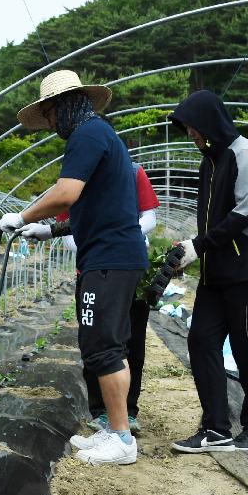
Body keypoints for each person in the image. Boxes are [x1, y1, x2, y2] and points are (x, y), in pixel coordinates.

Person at [0, 69, 148, 465]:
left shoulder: (87, 135)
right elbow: (91, 207)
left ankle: (122, 441)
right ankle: (113, 429)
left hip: (110, 258)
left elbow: (67, 193)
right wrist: (46, 231)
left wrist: (22, 214)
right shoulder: (99, 136)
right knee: (101, 343)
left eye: (48, 116)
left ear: (60, 107)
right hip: (110, 254)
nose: (49, 126)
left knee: (104, 346)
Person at [168, 90, 248, 453]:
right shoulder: (209, 161)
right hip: (216, 274)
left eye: (193, 128)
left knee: (246, 347)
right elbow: (211, 219)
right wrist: (194, 252)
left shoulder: (244, 153)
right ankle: (215, 427)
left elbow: (245, 214)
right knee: (200, 340)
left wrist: (199, 245)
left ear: (209, 124)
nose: (191, 135)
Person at [34, 162, 159, 433]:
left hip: (130, 269)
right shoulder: (70, 182)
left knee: (132, 341)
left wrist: (125, 236)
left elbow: (149, 216)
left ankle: (129, 411)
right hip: (91, 271)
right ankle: (101, 411)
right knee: (94, 342)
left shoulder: (131, 171)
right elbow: (69, 236)